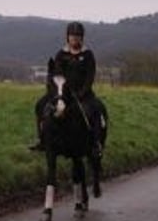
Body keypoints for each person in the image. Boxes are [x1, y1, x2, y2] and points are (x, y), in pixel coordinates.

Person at [29, 21, 105, 154]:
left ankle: (96, 143)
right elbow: (56, 75)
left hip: (83, 94)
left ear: (82, 38)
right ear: (67, 37)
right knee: (40, 105)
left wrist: (82, 93)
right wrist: (57, 92)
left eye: (77, 36)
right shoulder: (61, 55)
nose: (74, 39)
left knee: (96, 109)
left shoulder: (88, 55)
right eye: (72, 36)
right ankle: (42, 140)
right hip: (62, 92)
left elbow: (90, 77)